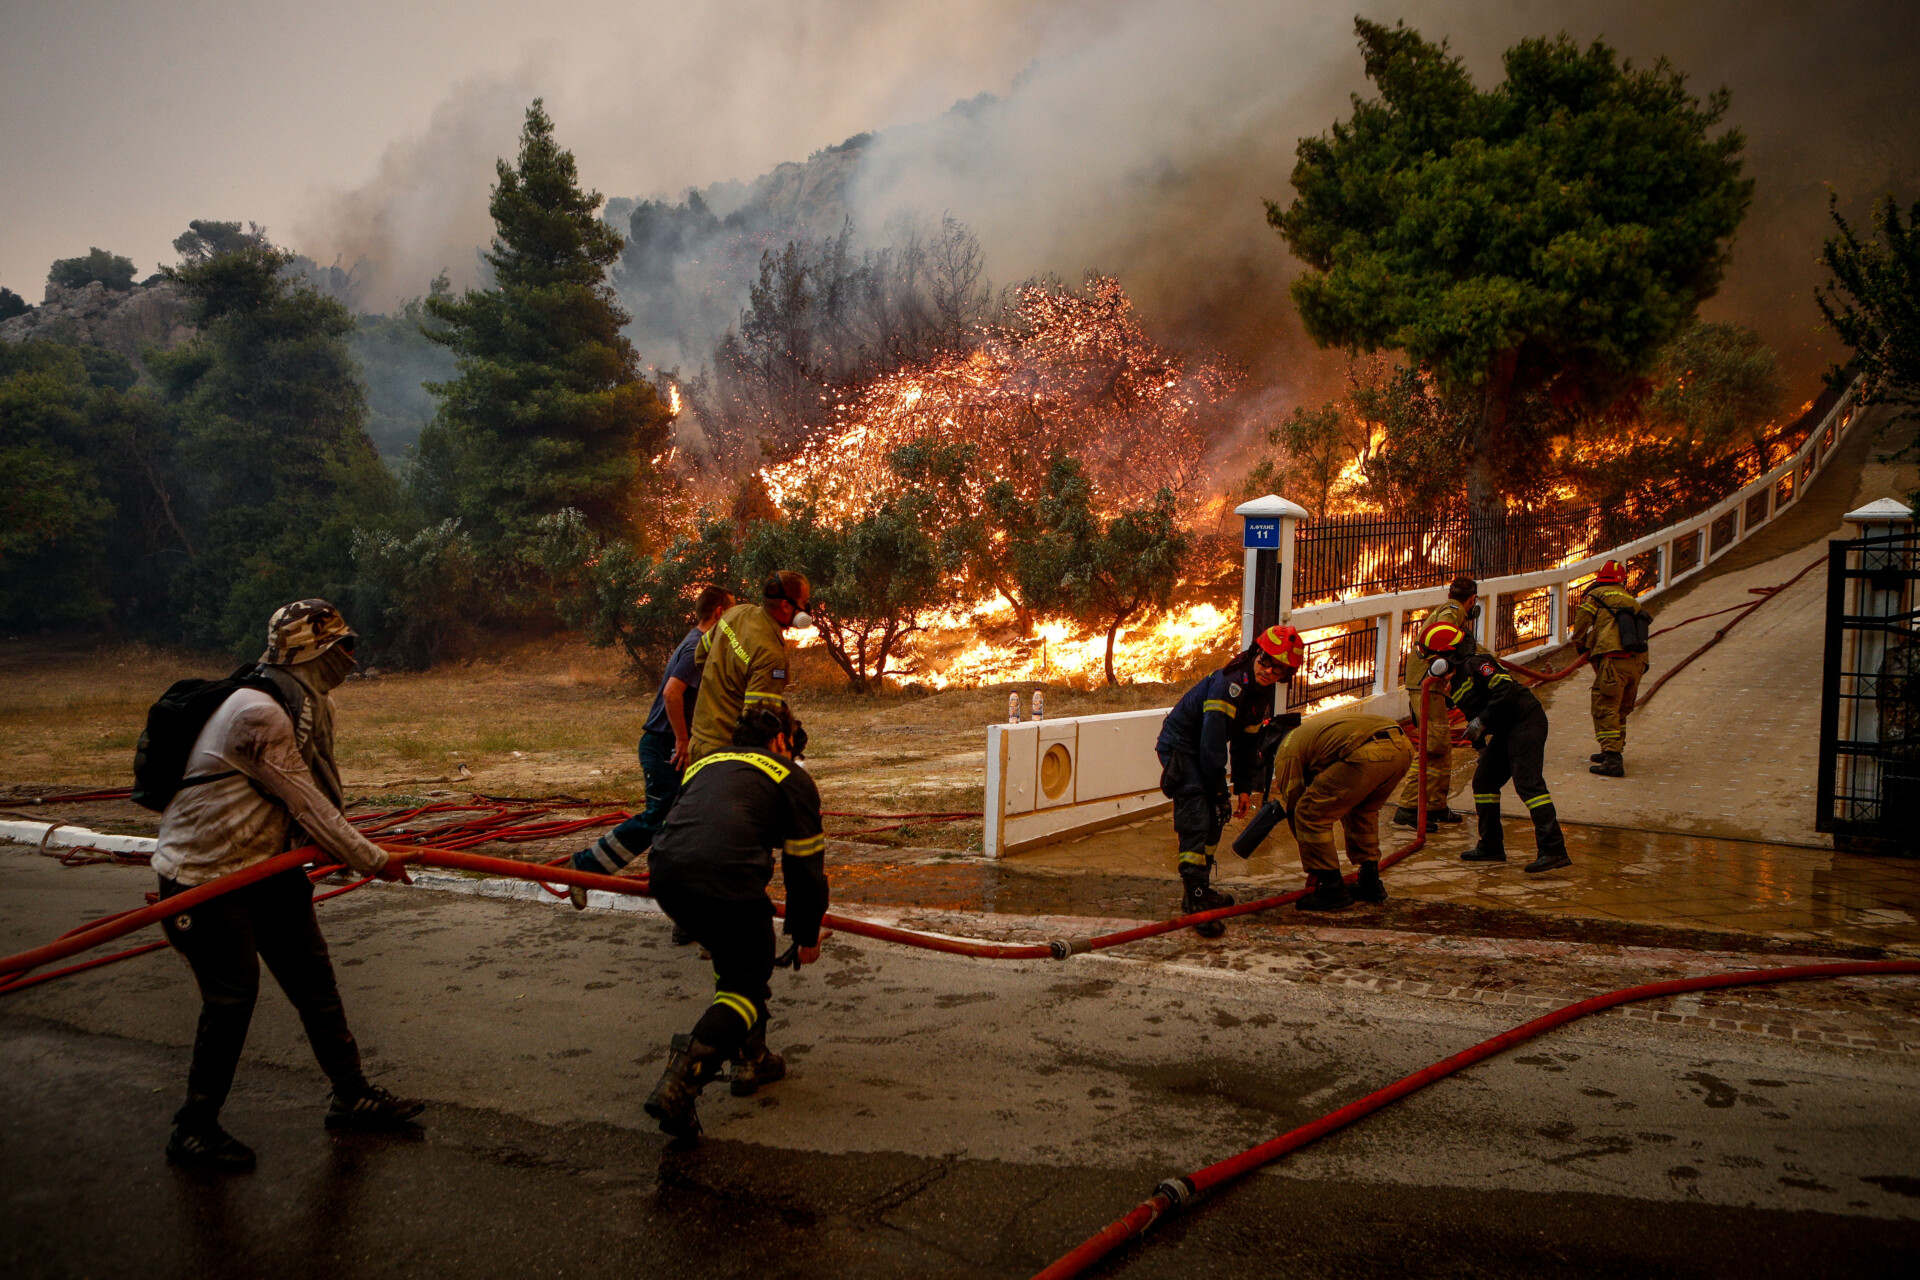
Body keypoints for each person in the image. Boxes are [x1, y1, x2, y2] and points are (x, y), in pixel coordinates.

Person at [150, 600, 420, 1173]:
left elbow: (301, 807)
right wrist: (375, 860)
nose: (351, 657)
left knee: (313, 981)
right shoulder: (260, 713)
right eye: (342, 647)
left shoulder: (295, 702)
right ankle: (193, 1128)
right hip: (206, 878)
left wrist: (333, 850)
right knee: (232, 1000)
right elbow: (308, 803)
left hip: (265, 870)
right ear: (312, 653)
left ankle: (351, 1095)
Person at [642, 706, 827, 1139]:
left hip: (667, 875)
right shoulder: (791, 776)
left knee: (736, 951)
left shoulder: (705, 763)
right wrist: (807, 934)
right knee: (745, 982)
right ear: (780, 741)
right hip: (726, 877)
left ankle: (752, 1057)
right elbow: (805, 867)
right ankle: (681, 1080)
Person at [568, 585, 735, 907]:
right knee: (659, 818)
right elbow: (673, 694)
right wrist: (682, 741)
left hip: (670, 746)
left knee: (688, 822)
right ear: (719, 613)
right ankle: (585, 866)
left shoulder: (702, 644)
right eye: (732, 612)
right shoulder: (696, 647)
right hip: (663, 747)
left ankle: (687, 908)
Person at [1155, 624, 1304, 937]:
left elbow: (1245, 745)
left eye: (1278, 669)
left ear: (1285, 674)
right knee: (1197, 819)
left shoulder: (1259, 697)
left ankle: (1200, 890)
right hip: (1182, 746)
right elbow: (1211, 746)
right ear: (1255, 654)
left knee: (1214, 821)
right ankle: (1196, 903)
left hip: (1202, 750)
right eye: (1265, 661)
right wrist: (1220, 792)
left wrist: (1244, 788)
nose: (1268, 670)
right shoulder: (1229, 685)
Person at [1430, 624, 1572, 874]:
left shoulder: (1477, 665)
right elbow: (1472, 717)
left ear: (1447, 655)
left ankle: (1553, 850)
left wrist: (1483, 721)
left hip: (1525, 720)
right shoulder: (1457, 683)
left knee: (1528, 784)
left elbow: (1505, 691)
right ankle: (1491, 845)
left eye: (1434, 659)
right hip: (1505, 729)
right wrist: (1481, 748)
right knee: (1484, 781)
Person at [1266, 705, 1413, 911]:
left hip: (1366, 754)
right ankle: (1370, 883)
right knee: (1363, 810)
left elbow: (1294, 803)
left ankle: (1333, 889)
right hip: (1402, 748)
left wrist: (1314, 860)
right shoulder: (1312, 732)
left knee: (1309, 812)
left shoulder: (1286, 750)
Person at [689, 570, 812, 763]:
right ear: (786, 606)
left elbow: (700, 655)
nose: (806, 609)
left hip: (698, 742)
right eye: (804, 602)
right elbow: (757, 726)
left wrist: (722, 686)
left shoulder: (737, 612)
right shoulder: (771, 656)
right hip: (726, 756)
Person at [1392, 576, 1478, 827]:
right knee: (1431, 746)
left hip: (1433, 685)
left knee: (1442, 747)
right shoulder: (1452, 612)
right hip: (1425, 684)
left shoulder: (1453, 612)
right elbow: (1442, 637)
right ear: (1472, 598)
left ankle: (1435, 805)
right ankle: (1408, 807)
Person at [1570, 560, 1651, 778]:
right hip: (1638, 662)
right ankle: (1612, 750)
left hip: (1614, 660)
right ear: (1622, 580)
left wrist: (1580, 646)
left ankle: (1613, 760)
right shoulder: (1631, 599)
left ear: (1600, 578)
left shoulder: (1596, 596)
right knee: (1621, 708)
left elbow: (1581, 624)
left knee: (1605, 707)